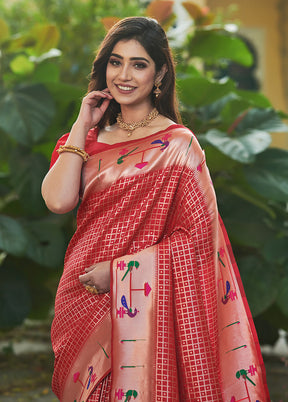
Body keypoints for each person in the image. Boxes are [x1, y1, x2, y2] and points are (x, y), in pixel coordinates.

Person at [41, 16, 270, 402]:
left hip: (143, 300)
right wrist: (82, 124)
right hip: (81, 295)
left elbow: (198, 239)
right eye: (115, 62)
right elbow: (59, 201)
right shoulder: (83, 140)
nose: (124, 75)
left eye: (139, 64)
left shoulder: (179, 145)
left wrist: (119, 273)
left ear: (159, 72)